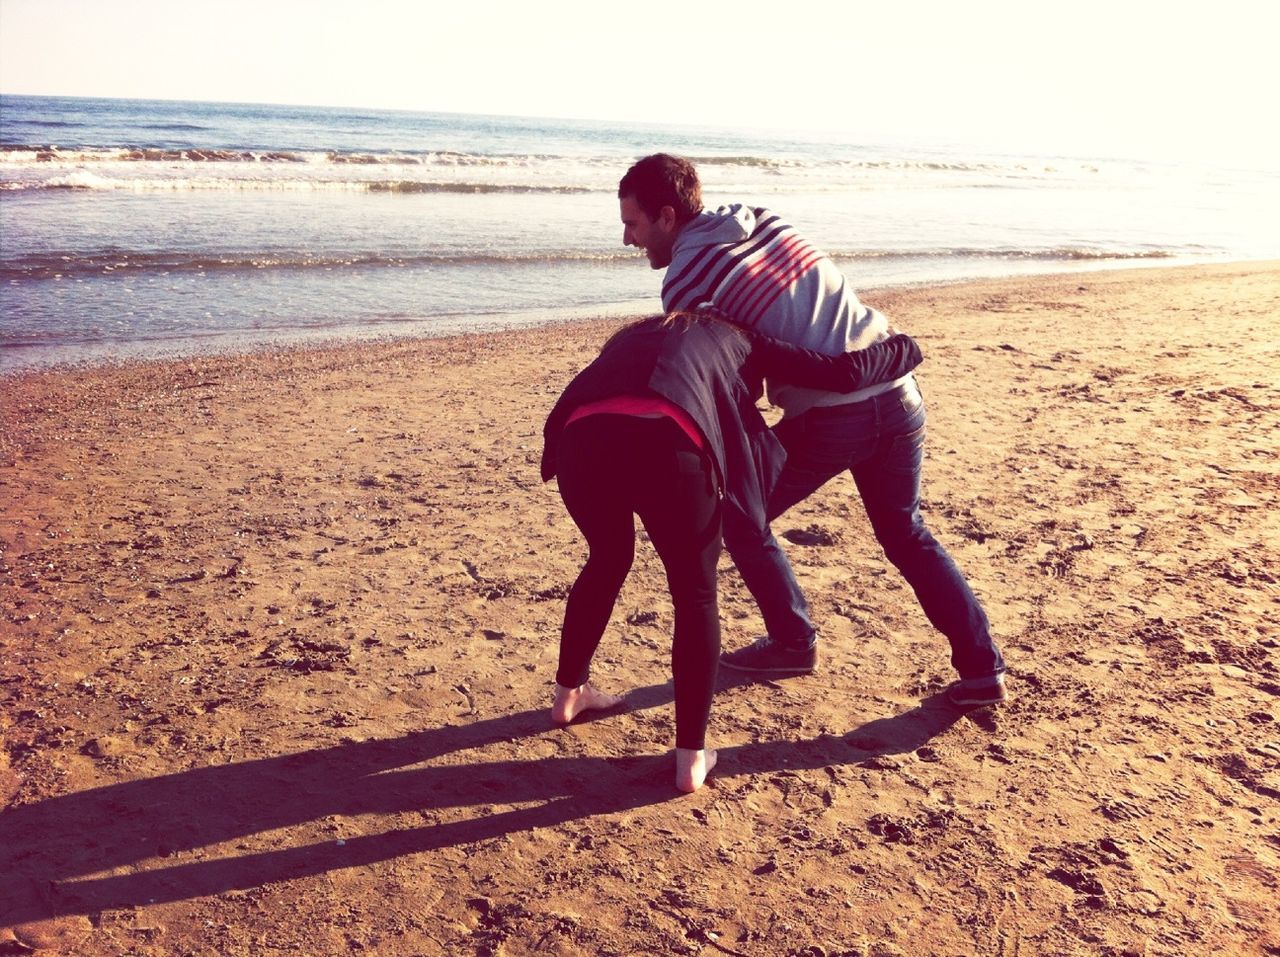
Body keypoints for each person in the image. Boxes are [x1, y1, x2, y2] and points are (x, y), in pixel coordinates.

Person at [617, 153, 1007, 708]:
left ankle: (793, 641)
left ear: (667, 216)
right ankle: (981, 671)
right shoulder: (764, 218)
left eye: (633, 224)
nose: (629, 239)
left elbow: (733, 378)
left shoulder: (686, 279)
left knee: (741, 516)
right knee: (906, 533)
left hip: (836, 413)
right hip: (898, 390)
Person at [541, 311, 923, 791]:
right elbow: (840, 374)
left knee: (606, 559)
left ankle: (568, 695)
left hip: (579, 436)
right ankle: (691, 760)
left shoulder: (637, 332)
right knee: (694, 593)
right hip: (669, 444)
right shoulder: (741, 338)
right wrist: (906, 349)